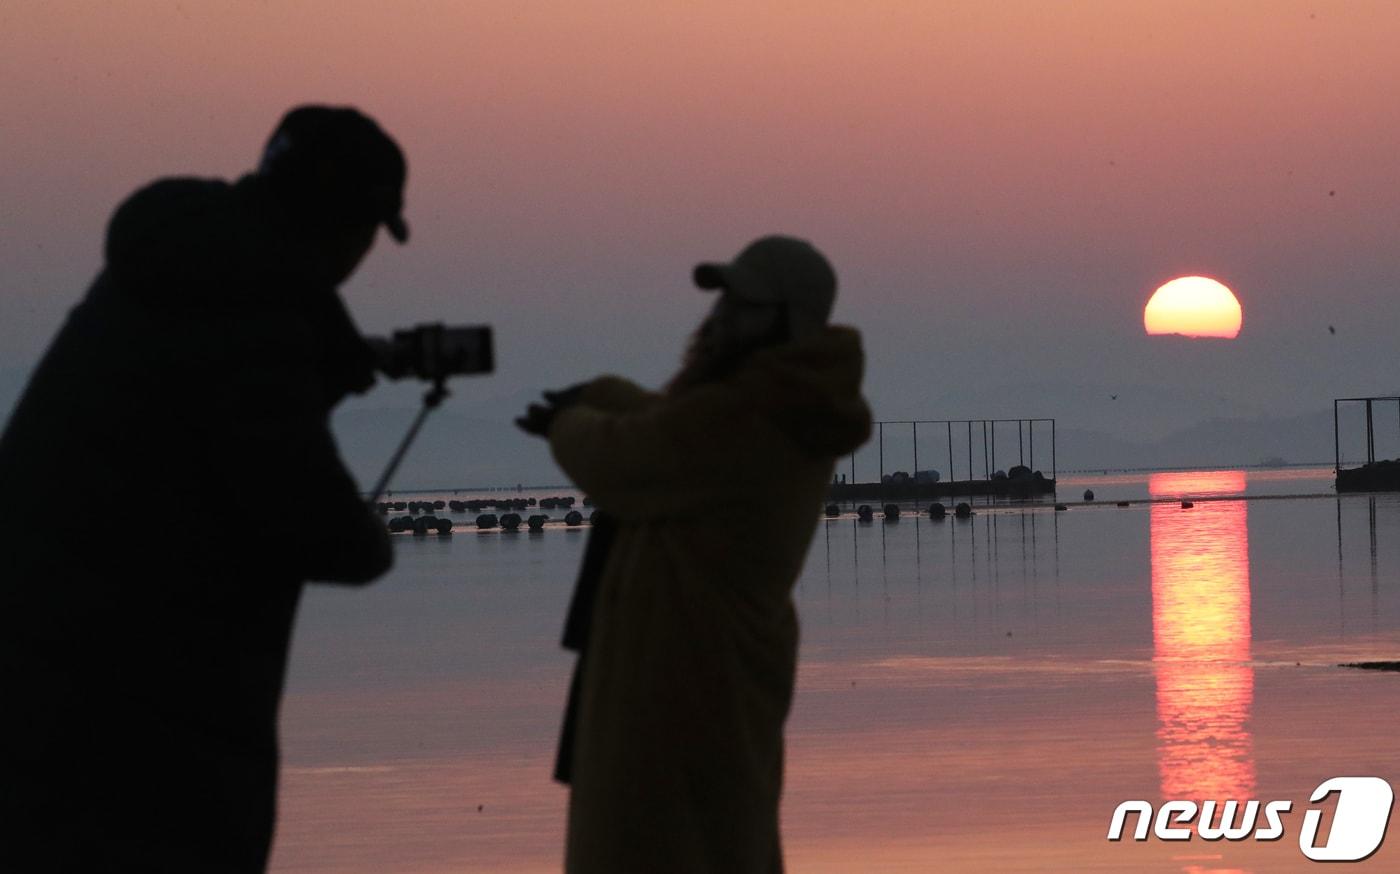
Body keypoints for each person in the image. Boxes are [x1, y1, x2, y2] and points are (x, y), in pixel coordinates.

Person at [0, 105, 404, 872]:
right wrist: (371, 538)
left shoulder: (170, 268)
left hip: (44, 687)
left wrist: (326, 359)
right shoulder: (254, 310)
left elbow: (206, 431)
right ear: (348, 225)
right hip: (145, 725)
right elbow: (317, 523)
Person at [519, 236, 872, 873]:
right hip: (693, 672)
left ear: (787, 321)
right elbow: (676, 428)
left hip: (686, 687)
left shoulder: (757, 411)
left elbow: (626, 461)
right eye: (723, 303)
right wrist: (603, 394)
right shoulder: (769, 403)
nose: (721, 319)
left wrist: (566, 424)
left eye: (744, 306)